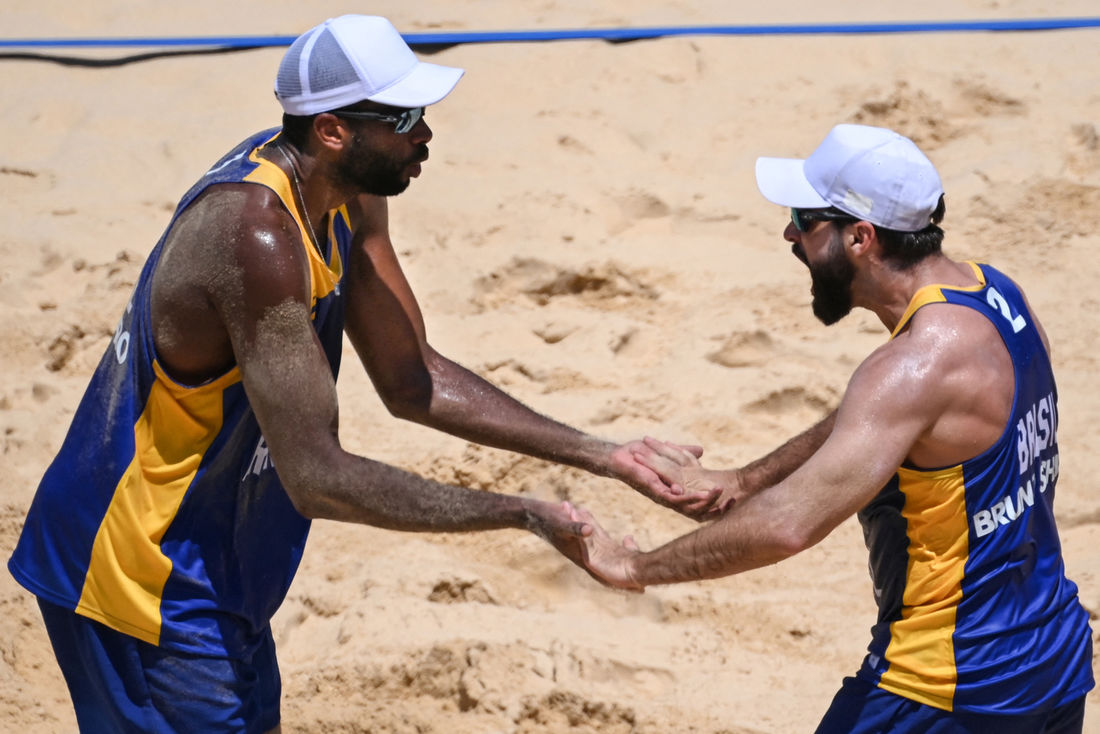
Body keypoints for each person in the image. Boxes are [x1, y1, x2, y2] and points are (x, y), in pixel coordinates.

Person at [6, 15, 719, 733]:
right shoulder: (256, 238)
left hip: (218, 559)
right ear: (332, 130)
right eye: (403, 119)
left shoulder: (347, 195)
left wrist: (605, 455)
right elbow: (318, 477)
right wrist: (521, 513)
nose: (425, 135)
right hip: (136, 570)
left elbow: (412, 377)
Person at [575, 124, 1094, 733]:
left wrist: (634, 567)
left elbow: (785, 528)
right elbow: (895, 417)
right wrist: (745, 479)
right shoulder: (997, 294)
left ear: (860, 237)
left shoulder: (909, 367)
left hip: (946, 686)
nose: (790, 233)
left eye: (804, 218)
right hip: (1053, 661)